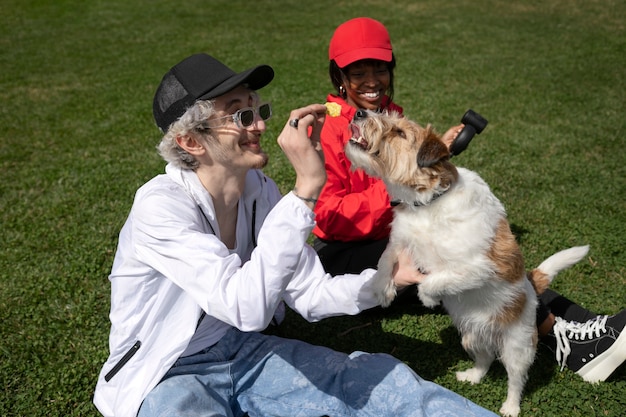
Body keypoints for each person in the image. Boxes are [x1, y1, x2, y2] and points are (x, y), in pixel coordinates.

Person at [93, 53, 500, 417]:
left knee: (376, 379)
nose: (260, 124)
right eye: (239, 115)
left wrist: (385, 281)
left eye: (255, 109)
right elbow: (245, 308)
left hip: (245, 352)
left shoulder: (261, 192)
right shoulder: (159, 208)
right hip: (167, 371)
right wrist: (306, 189)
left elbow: (308, 292)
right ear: (189, 141)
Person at [312, 16, 626, 384]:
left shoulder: (387, 114)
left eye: (379, 68)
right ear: (338, 75)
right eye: (357, 71)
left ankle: (589, 323)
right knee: (481, 274)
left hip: (398, 233)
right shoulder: (330, 128)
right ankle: (574, 344)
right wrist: (401, 183)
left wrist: (432, 156)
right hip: (347, 253)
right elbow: (328, 216)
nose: (371, 81)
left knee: (484, 264)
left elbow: (407, 171)